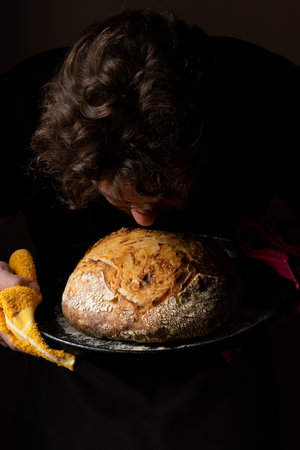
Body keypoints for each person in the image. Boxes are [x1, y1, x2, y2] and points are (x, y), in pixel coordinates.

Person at [0, 9, 299, 450]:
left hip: (225, 374)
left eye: (164, 198)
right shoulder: (24, 101)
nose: (144, 220)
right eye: (123, 200)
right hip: (69, 374)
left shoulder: (264, 91)